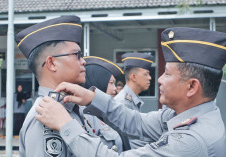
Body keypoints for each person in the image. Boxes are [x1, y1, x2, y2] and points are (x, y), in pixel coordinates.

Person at [36, 27, 226, 156]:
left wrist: (65, 124)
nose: (159, 80)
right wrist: (92, 97)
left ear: (192, 87)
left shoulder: (191, 140)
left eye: (167, 74)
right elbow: (137, 123)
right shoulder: (185, 115)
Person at [15, 15, 124, 157]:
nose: (84, 61)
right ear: (52, 63)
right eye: (77, 55)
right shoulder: (44, 117)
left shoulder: (72, 109)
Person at [82, 56, 131, 151]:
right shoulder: (84, 115)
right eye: (111, 83)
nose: (115, 89)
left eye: (114, 83)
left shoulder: (109, 113)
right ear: (97, 83)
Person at [114, 53, 153, 149]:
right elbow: (129, 143)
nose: (150, 78)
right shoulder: (123, 103)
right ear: (134, 77)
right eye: (146, 74)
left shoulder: (131, 100)